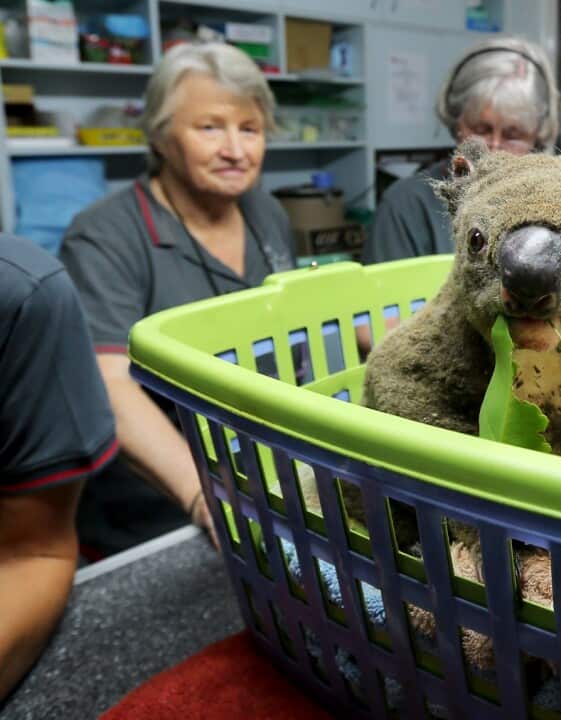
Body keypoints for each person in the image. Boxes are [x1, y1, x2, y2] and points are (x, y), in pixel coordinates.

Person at [58, 42, 294, 557]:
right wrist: (204, 495)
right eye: (209, 128)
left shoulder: (265, 213)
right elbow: (110, 383)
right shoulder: (105, 236)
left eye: (249, 129)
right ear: (161, 135)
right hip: (157, 514)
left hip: (268, 488)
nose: (235, 149)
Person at [1, 233, 117, 700]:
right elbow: (116, 373)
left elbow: (31, 551)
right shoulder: (104, 235)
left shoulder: (21, 292)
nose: (236, 152)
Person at [362, 37, 560, 264]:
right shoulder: (406, 208)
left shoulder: (556, 208)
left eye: (513, 135)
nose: (493, 149)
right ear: (456, 123)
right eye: (481, 129)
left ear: (537, 137)